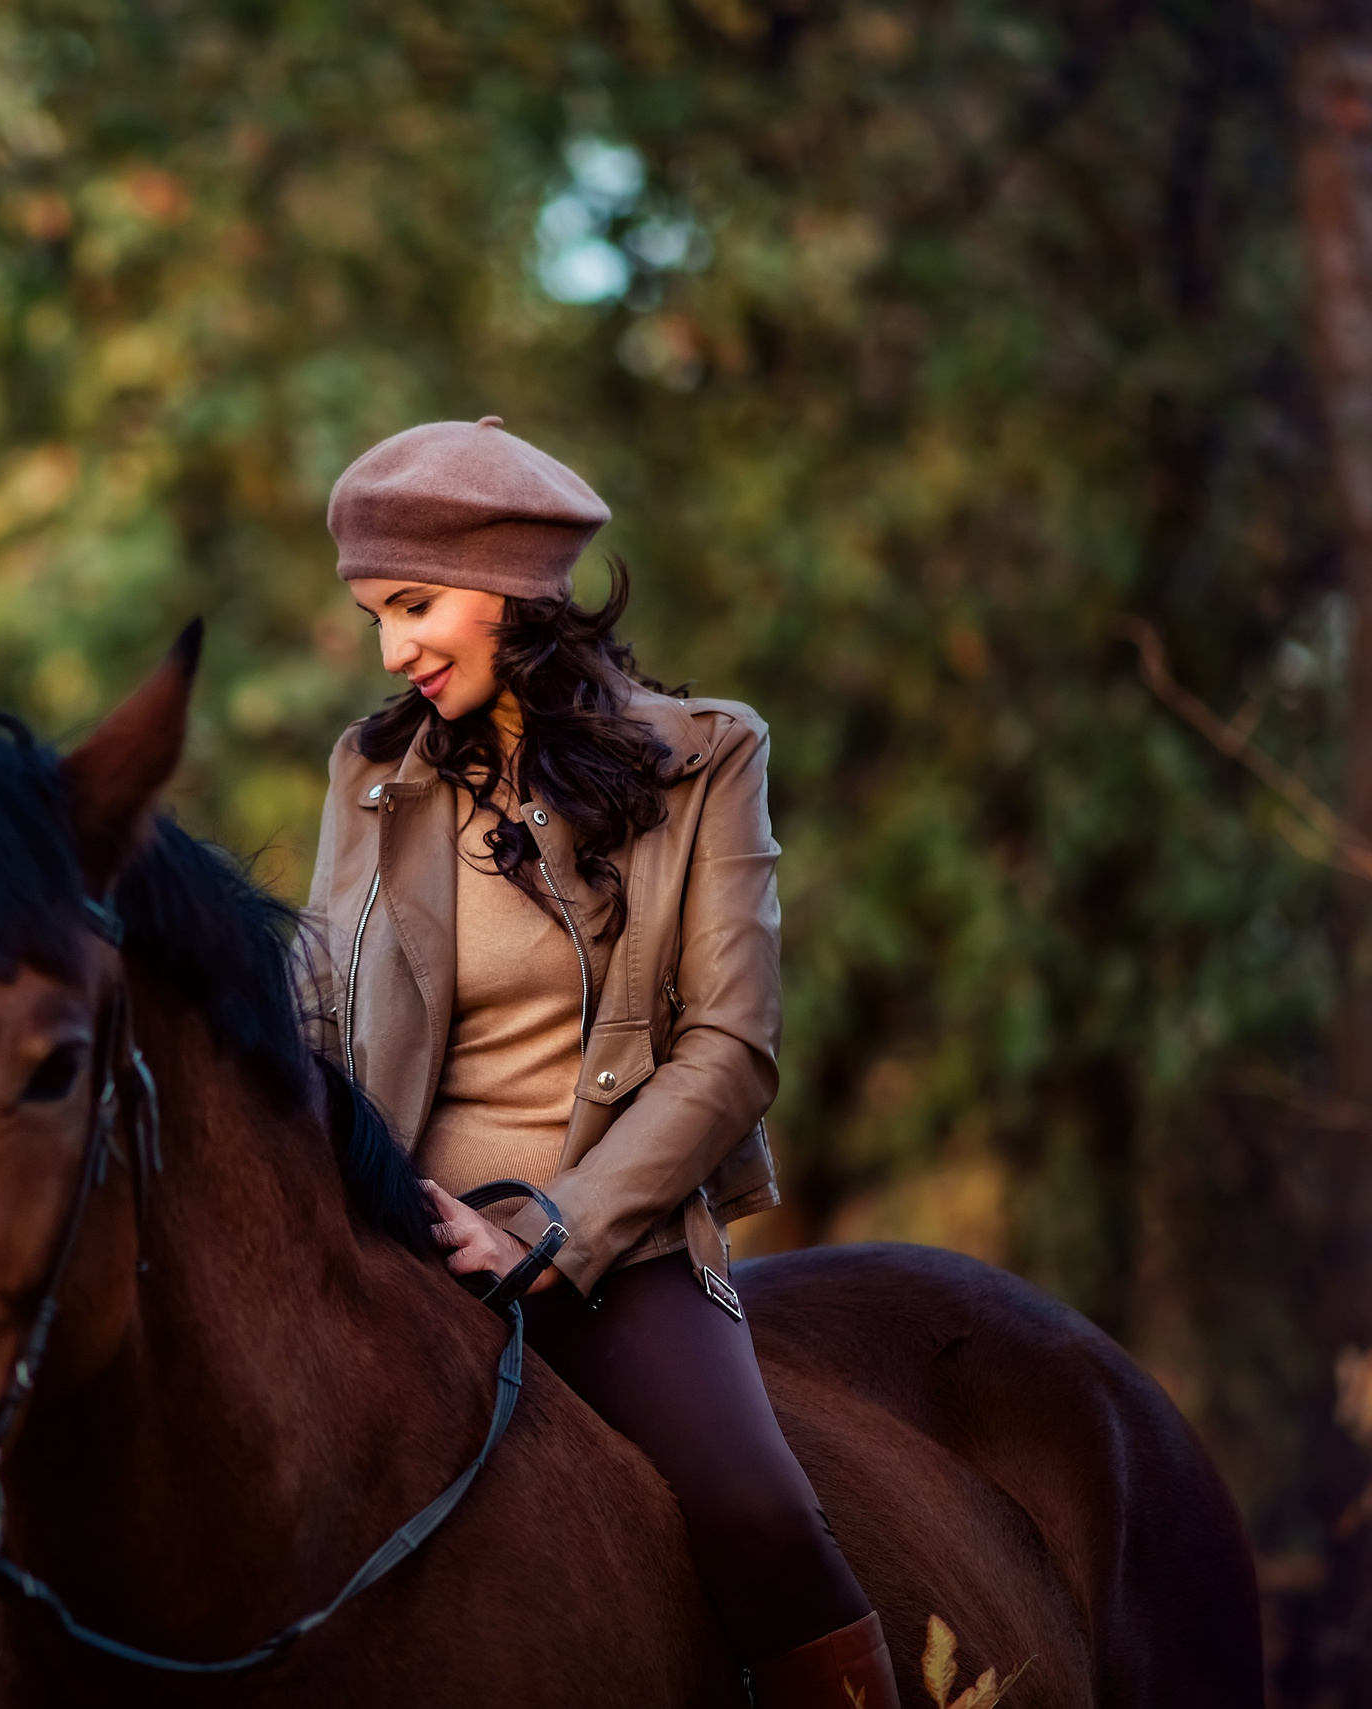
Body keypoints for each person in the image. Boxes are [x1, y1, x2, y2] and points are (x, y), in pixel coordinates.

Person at [294, 418, 900, 1709]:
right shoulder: (371, 772)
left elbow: (732, 1048)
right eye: (373, 615)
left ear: (515, 587)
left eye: (414, 605)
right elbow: (318, 1018)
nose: (392, 651)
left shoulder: (708, 757)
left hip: (610, 1250)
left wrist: (549, 1228)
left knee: (764, 1520)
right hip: (392, 1244)